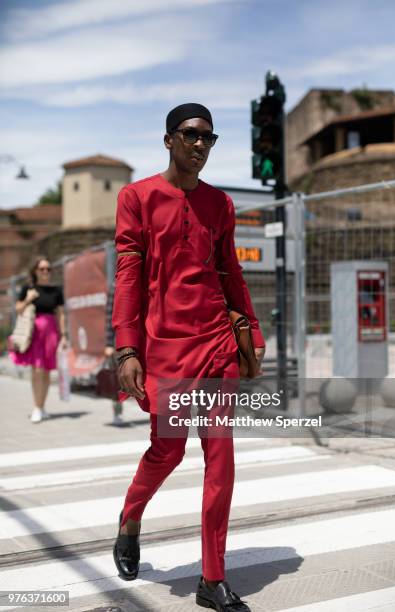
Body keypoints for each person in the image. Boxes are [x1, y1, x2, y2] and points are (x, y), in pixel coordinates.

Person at [112, 103, 265, 611]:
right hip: (166, 347)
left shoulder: (221, 204)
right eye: (191, 135)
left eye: (209, 138)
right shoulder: (136, 198)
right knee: (169, 450)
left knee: (220, 455)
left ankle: (212, 579)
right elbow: (130, 276)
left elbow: (230, 272)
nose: (200, 145)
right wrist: (127, 346)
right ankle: (131, 517)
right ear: (169, 140)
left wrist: (252, 329)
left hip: (217, 342)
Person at [9, 255, 68, 423]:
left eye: (48, 269)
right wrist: (28, 298)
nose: (45, 272)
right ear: (35, 271)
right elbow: (18, 309)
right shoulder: (28, 288)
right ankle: (36, 407)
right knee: (37, 370)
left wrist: (63, 336)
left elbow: (61, 315)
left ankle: (42, 406)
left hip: (51, 333)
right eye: (42, 269)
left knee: (47, 371)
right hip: (33, 333)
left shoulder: (56, 290)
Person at [104, 279, 125, 425]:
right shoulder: (115, 285)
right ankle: (117, 413)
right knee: (117, 379)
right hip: (119, 341)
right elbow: (109, 316)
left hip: (144, 337)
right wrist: (108, 343)